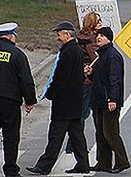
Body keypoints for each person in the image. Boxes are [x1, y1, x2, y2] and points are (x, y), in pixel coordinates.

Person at [27, 21, 90, 175]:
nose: (57, 37)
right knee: (77, 137)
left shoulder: (68, 52)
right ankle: (83, 164)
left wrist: (50, 94)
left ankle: (44, 166)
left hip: (64, 104)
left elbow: (61, 78)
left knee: (55, 137)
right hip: (75, 103)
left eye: (59, 34)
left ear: (67, 34)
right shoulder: (77, 50)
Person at [85, 27, 130, 174]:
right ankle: (103, 162)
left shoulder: (112, 56)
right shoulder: (101, 56)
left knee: (110, 132)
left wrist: (113, 99)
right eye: (98, 35)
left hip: (109, 101)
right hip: (99, 100)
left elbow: (114, 80)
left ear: (109, 39)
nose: (98, 37)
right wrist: (91, 74)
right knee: (100, 133)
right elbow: (99, 79)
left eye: (102, 35)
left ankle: (122, 162)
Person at [0, 22, 37, 177]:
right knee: (11, 137)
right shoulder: (17, 54)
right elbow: (26, 80)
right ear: (10, 36)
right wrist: (30, 101)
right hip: (10, 101)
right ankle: (10, 170)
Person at [66, 12, 102, 154]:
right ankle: (76, 144)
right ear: (92, 24)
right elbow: (97, 58)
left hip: (81, 79)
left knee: (81, 113)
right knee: (90, 114)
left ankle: (72, 144)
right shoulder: (91, 40)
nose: (101, 23)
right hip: (89, 79)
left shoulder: (81, 37)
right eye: (98, 21)